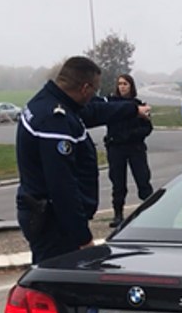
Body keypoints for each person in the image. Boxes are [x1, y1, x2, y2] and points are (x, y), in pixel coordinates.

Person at [15, 56, 147, 264]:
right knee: (57, 281)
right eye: (94, 90)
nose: (94, 95)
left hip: (46, 215)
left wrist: (133, 109)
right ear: (85, 88)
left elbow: (94, 111)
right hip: (53, 222)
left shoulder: (50, 102)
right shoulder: (54, 122)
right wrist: (82, 237)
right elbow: (62, 187)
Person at [104, 74, 154, 228]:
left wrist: (133, 135)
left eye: (125, 84)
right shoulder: (112, 105)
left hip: (135, 148)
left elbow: (148, 127)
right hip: (116, 148)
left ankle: (150, 212)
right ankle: (118, 214)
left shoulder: (138, 105)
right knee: (118, 183)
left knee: (143, 180)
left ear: (131, 86)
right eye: (120, 84)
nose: (122, 87)